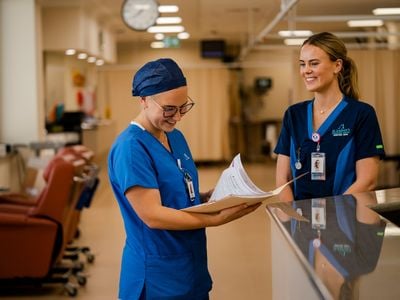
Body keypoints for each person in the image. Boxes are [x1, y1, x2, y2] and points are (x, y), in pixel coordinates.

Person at [107, 58, 260, 300]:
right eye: (169, 109)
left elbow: (175, 192)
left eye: (183, 107)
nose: (177, 117)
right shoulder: (131, 147)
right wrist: (215, 218)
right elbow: (153, 215)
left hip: (189, 267)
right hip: (156, 276)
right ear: (144, 100)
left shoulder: (174, 137)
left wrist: (207, 197)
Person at [274, 32, 385, 202]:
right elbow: (282, 179)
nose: (306, 71)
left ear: (337, 66)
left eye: (314, 63)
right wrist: (292, 217)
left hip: (346, 219)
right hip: (301, 222)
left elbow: (367, 181)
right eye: (302, 64)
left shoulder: (361, 114)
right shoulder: (294, 114)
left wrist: (333, 216)